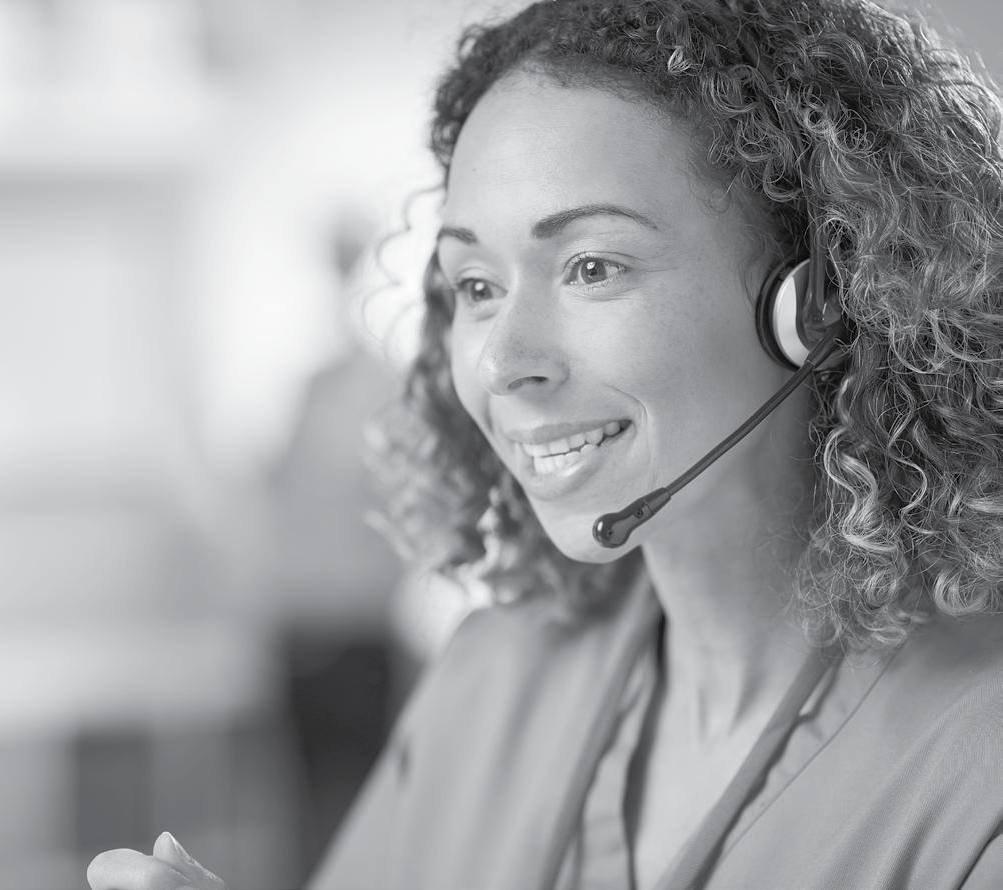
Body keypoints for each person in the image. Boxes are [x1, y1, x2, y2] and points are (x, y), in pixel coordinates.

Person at [88, 0, 1003, 887]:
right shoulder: (492, 678)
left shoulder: (975, 765)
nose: (500, 362)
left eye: (591, 267)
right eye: (476, 286)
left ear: (824, 303)